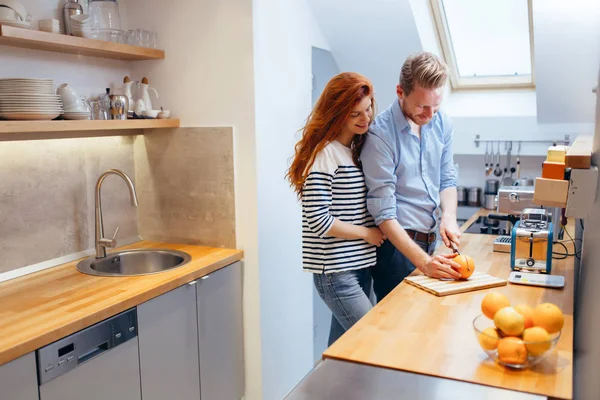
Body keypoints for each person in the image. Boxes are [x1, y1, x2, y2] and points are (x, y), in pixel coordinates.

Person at [286, 72, 386, 345]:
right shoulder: (325, 155)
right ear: (337, 113)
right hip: (336, 273)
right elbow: (319, 220)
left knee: (342, 350)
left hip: (359, 266)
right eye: (355, 114)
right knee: (371, 341)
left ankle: (329, 390)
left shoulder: (352, 150)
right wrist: (367, 234)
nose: (365, 118)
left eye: (368, 109)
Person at [361, 51, 462, 302]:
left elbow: (447, 179)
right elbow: (384, 214)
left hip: (432, 241)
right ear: (400, 92)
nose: (429, 115)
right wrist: (425, 263)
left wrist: (448, 217)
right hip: (396, 250)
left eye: (435, 106)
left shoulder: (442, 123)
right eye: (421, 106)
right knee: (402, 330)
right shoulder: (380, 135)